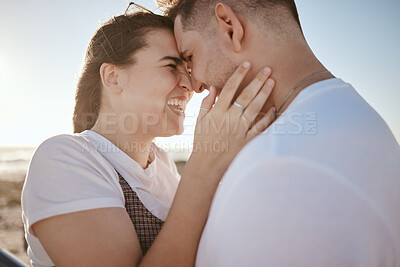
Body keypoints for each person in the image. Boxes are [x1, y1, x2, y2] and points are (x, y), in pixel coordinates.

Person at [21, 8, 277, 267]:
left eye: (188, 68)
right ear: (113, 77)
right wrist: (204, 165)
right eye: (170, 66)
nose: (190, 85)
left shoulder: (164, 165)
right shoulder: (63, 158)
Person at [159, 0, 400, 266]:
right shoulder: (351, 115)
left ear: (230, 28)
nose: (196, 85)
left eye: (190, 57)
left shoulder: (279, 170)